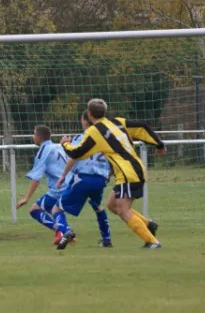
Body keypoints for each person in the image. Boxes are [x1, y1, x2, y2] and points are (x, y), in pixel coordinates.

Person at [58, 99, 166, 249]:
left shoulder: (94, 131)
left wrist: (65, 143)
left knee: (123, 209)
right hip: (133, 169)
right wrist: (159, 144)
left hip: (128, 172)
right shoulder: (117, 122)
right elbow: (143, 127)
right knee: (111, 204)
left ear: (89, 114)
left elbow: (77, 153)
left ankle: (153, 242)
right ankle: (149, 224)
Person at [53, 111, 113, 247]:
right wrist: (108, 175)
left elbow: (73, 158)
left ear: (86, 121)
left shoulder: (80, 138)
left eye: (81, 119)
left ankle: (66, 231)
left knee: (56, 209)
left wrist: (63, 176)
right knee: (98, 206)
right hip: (100, 179)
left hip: (83, 179)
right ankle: (107, 239)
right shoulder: (107, 139)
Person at [15, 125, 74, 244]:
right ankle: (67, 232)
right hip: (71, 184)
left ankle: (59, 232)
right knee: (53, 209)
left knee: (34, 210)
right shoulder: (58, 146)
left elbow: (36, 178)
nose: (33, 137)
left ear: (38, 137)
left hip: (59, 188)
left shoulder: (44, 150)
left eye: (34, 134)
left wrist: (26, 198)